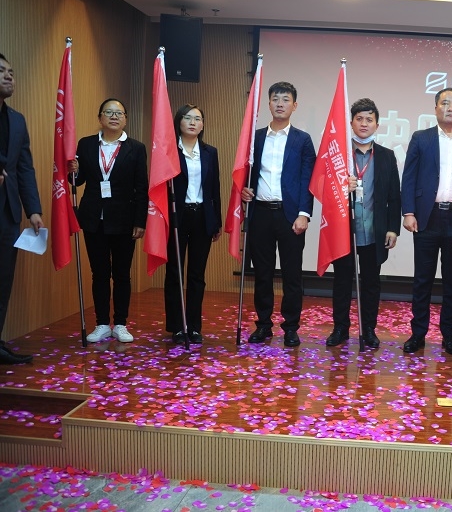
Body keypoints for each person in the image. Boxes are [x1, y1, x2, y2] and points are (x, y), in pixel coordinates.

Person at [401, 88, 452, 355]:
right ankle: (418, 334)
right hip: (427, 216)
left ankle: (449, 335)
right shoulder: (421, 138)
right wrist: (408, 212)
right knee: (422, 280)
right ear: (435, 108)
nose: (451, 108)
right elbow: (409, 177)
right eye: (445, 103)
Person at [240, 82, 316, 347]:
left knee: (292, 275)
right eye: (275, 99)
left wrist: (304, 214)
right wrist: (244, 189)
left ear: (295, 105)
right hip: (260, 213)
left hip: (290, 215)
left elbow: (308, 179)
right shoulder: (256, 138)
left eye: (285, 99)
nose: (280, 103)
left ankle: (291, 327)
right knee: (262, 274)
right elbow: (246, 172)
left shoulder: (302, 140)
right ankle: (263, 325)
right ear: (269, 103)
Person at [69, 98, 148, 344]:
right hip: (94, 218)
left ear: (125, 119)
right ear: (100, 118)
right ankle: (102, 323)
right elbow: (77, 181)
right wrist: (74, 170)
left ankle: (121, 323)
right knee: (99, 273)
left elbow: (141, 187)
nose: (114, 117)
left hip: (124, 220)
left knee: (122, 274)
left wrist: (140, 221)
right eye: (109, 112)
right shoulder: (86, 144)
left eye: (119, 113)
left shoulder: (136, 148)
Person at [326, 98, 401, 349]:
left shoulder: (387, 156)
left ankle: (368, 329)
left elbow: (394, 196)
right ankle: (340, 328)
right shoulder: (340, 156)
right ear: (351, 123)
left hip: (373, 231)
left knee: (371, 283)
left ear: (377, 125)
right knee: (342, 281)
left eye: (369, 119)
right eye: (359, 119)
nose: (364, 123)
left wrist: (392, 228)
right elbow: (325, 190)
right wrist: (341, 186)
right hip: (344, 231)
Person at [164, 104, 222, 345]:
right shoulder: (168, 151)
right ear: (178, 122)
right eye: (187, 118)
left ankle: (194, 327)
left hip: (202, 217)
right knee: (174, 273)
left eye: (197, 119)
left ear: (203, 125)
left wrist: (216, 221)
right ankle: (177, 327)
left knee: (197, 275)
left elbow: (214, 189)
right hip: (177, 217)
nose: (192, 122)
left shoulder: (210, 152)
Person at [0, 53, 42, 365]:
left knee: (3, 281)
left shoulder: (17, 120)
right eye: (1, 71)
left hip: (8, 213)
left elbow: (24, 168)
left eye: (11, 72)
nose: (9, 76)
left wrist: (34, 210)